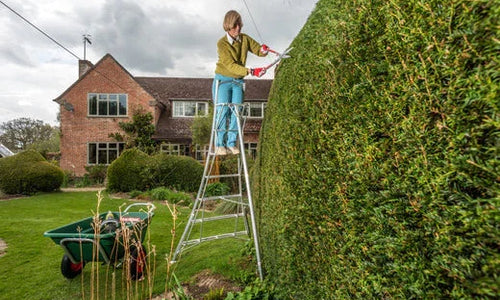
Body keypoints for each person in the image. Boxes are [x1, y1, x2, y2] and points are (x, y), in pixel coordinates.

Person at [213, 10, 269, 156]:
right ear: (228, 26)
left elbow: (257, 49)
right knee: (223, 111)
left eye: (240, 25)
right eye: (235, 25)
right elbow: (230, 65)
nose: (238, 28)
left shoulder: (244, 39)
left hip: (238, 81)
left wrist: (263, 51)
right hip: (223, 80)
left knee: (236, 112)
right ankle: (220, 144)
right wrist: (250, 71)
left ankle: (231, 143)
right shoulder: (222, 44)